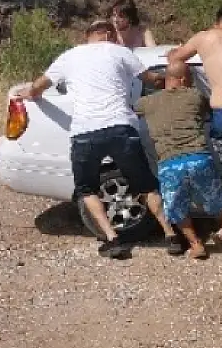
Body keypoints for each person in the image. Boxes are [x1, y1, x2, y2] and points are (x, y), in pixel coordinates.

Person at [15, 20, 173, 259]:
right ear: (109, 34)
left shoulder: (70, 56)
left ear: (88, 35)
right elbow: (151, 79)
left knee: (86, 188)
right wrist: (172, 77)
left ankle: (112, 238)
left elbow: (40, 85)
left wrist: (28, 93)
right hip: (121, 128)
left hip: (85, 133)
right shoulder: (121, 52)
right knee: (146, 184)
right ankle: (170, 235)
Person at [167, 6, 222, 258]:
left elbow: (175, 59)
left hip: (220, 114)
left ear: (217, 23)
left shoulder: (202, 38)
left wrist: (175, 50)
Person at [135, 61, 222, 259]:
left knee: (176, 207)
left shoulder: (147, 103)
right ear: (184, 79)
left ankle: (196, 245)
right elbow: (208, 113)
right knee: (218, 202)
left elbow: (133, 109)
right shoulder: (196, 96)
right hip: (199, 158)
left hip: (170, 163)